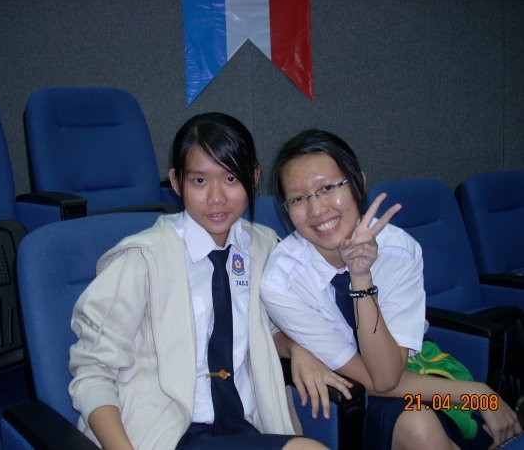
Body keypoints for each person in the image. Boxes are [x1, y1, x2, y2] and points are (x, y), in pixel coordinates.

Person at [68, 113, 330, 450]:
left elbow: (268, 324)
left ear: (254, 177)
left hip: (244, 426)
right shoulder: (141, 260)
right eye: (200, 181)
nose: (216, 197)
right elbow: (93, 372)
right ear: (177, 183)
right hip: (167, 434)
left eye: (231, 178)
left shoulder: (264, 248)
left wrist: (295, 347)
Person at [260, 129, 522, 450]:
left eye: (327, 188)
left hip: (417, 373)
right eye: (299, 198)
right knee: (421, 429)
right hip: (358, 395)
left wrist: (361, 275)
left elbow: (391, 369)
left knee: (454, 429)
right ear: (286, 208)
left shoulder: (398, 249)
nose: (316, 210)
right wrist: (478, 394)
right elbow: (380, 381)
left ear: (358, 183)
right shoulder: (281, 280)